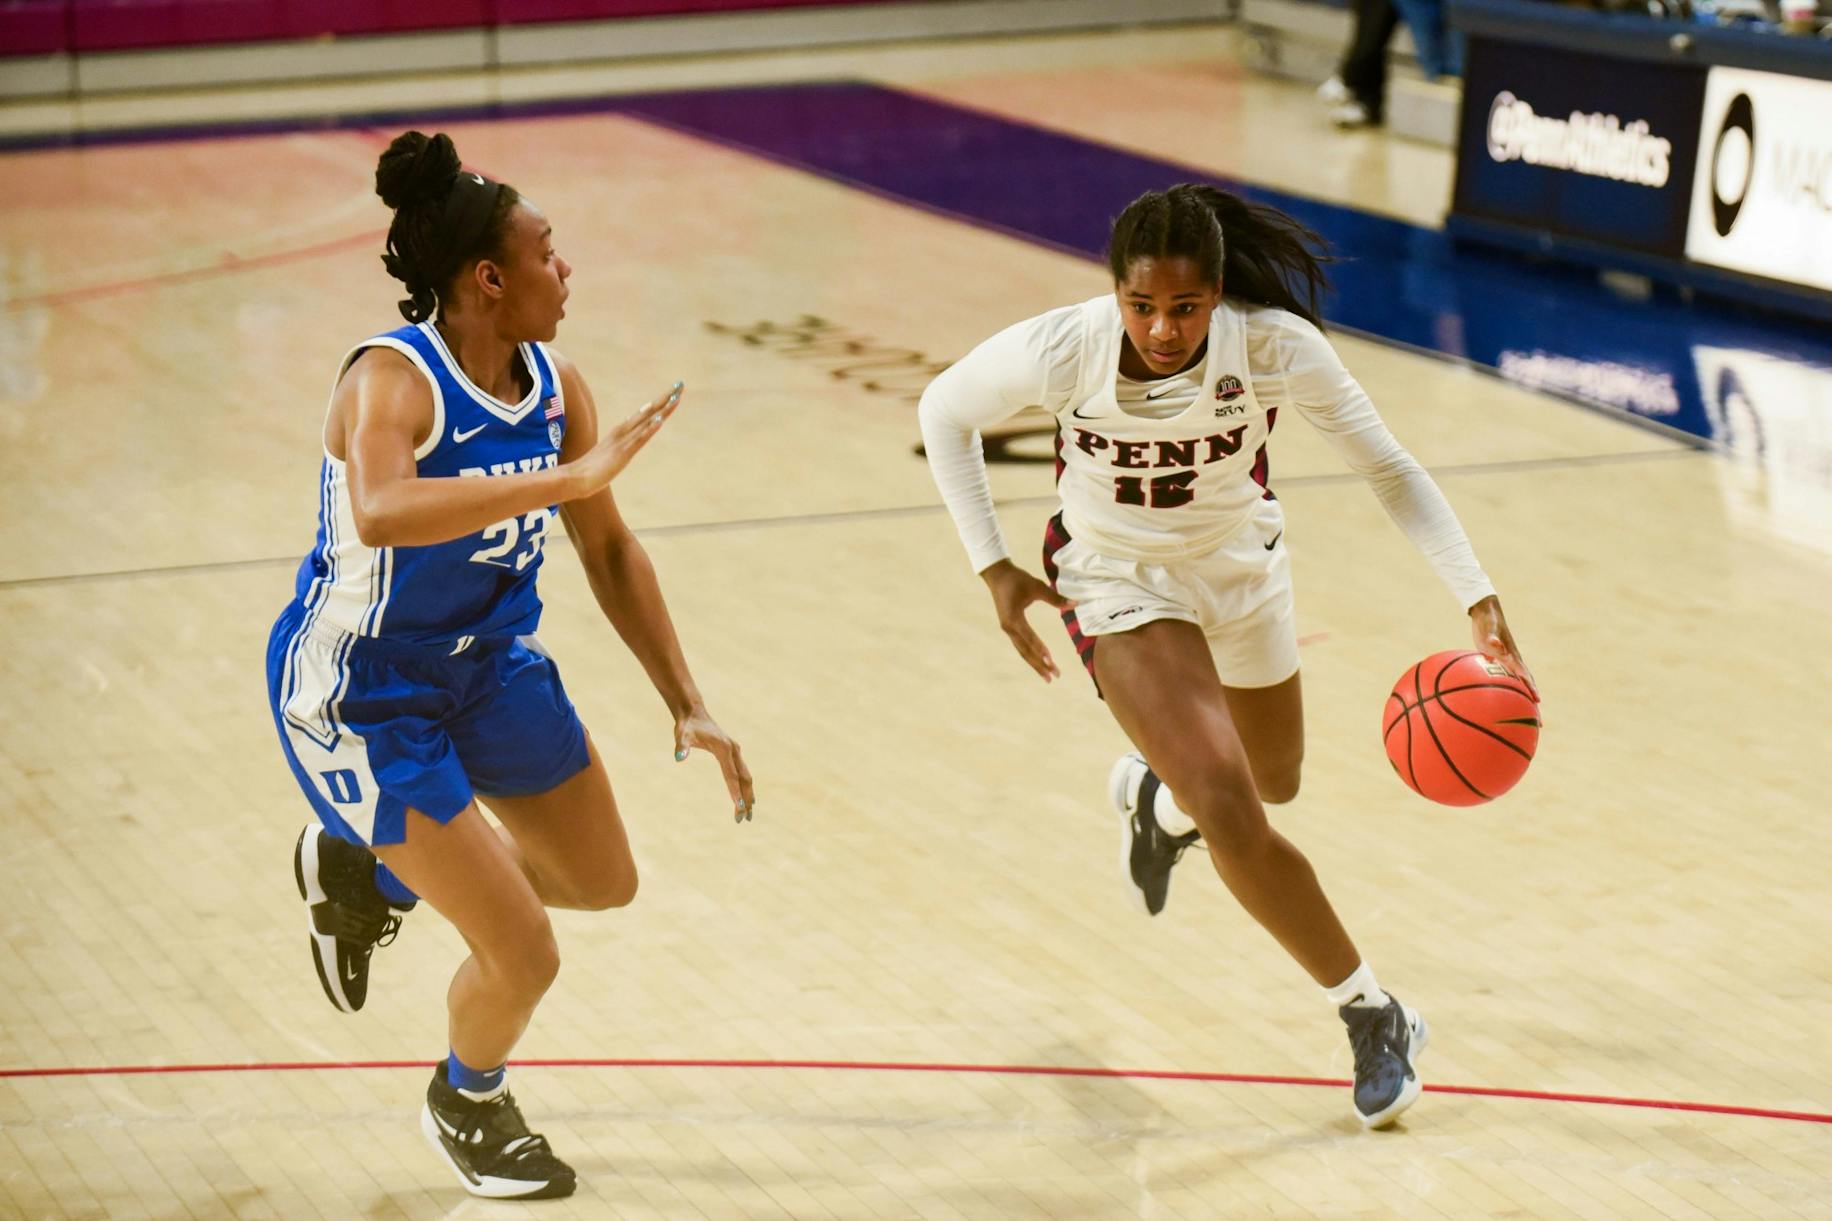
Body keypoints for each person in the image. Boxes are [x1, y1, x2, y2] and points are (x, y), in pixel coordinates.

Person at [917, 183, 1533, 1130]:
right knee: (1233, 803)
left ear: (1218, 296)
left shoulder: (1276, 347)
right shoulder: (1063, 346)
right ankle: (1374, 1014)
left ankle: (1156, 798)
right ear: (1115, 292)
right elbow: (942, 411)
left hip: (1241, 567)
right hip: (1115, 575)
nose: (1163, 328)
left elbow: (1390, 468)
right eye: (1143, 305)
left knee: (1271, 778)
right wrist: (991, 564)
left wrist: (1479, 591)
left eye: (1186, 307)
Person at [265, 130, 754, 1199]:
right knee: (524, 951)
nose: (563, 269)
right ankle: (467, 1098)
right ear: (489, 278)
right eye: (546, 251)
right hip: (365, 687)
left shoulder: (553, 384)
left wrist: (688, 702)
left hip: (487, 667)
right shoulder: (390, 380)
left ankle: (368, 870)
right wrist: (561, 483)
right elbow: (384, 508)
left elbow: (610, 546)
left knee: (600, 881)